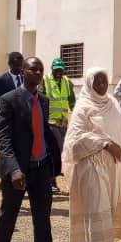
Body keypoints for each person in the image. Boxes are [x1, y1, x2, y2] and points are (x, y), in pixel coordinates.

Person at [0, 56, 67, 242]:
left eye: (40, 70)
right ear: (23, 71)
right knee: (8, 218)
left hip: (40, 170)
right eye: (33, 69)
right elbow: (4, 139)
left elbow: (42, 132)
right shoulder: (8, 100)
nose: (38, 73)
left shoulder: (43, 100)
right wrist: (13, 169)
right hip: (17, 172)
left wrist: (54, 162)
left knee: (42, 224)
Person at [62, 68, 121, 242]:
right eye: (97, 81)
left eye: (104, 81)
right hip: (91, 166)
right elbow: (74, 140)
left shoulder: (112, 104)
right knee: (95, 210)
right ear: (89, 83)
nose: (101, 85)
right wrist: (105, 143)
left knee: (107, 210)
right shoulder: (82, 106)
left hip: (113, 167)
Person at [43, 57, 76, 193]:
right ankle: (51, 181)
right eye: (56, 70)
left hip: (64, 124)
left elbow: (72, 102)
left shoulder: (67, 82)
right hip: (51, 123)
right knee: (55, 151)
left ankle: (50, 178)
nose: (59, 73)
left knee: (61, 151)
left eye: (61, 70)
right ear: (52, 69)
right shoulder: (45, 81)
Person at [0, 51, 24, 145]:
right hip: (5, 127)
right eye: (16, 65)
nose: (19, 68)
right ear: (9, 64)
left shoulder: (25, 80)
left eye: (21, 65)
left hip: (22, 128)